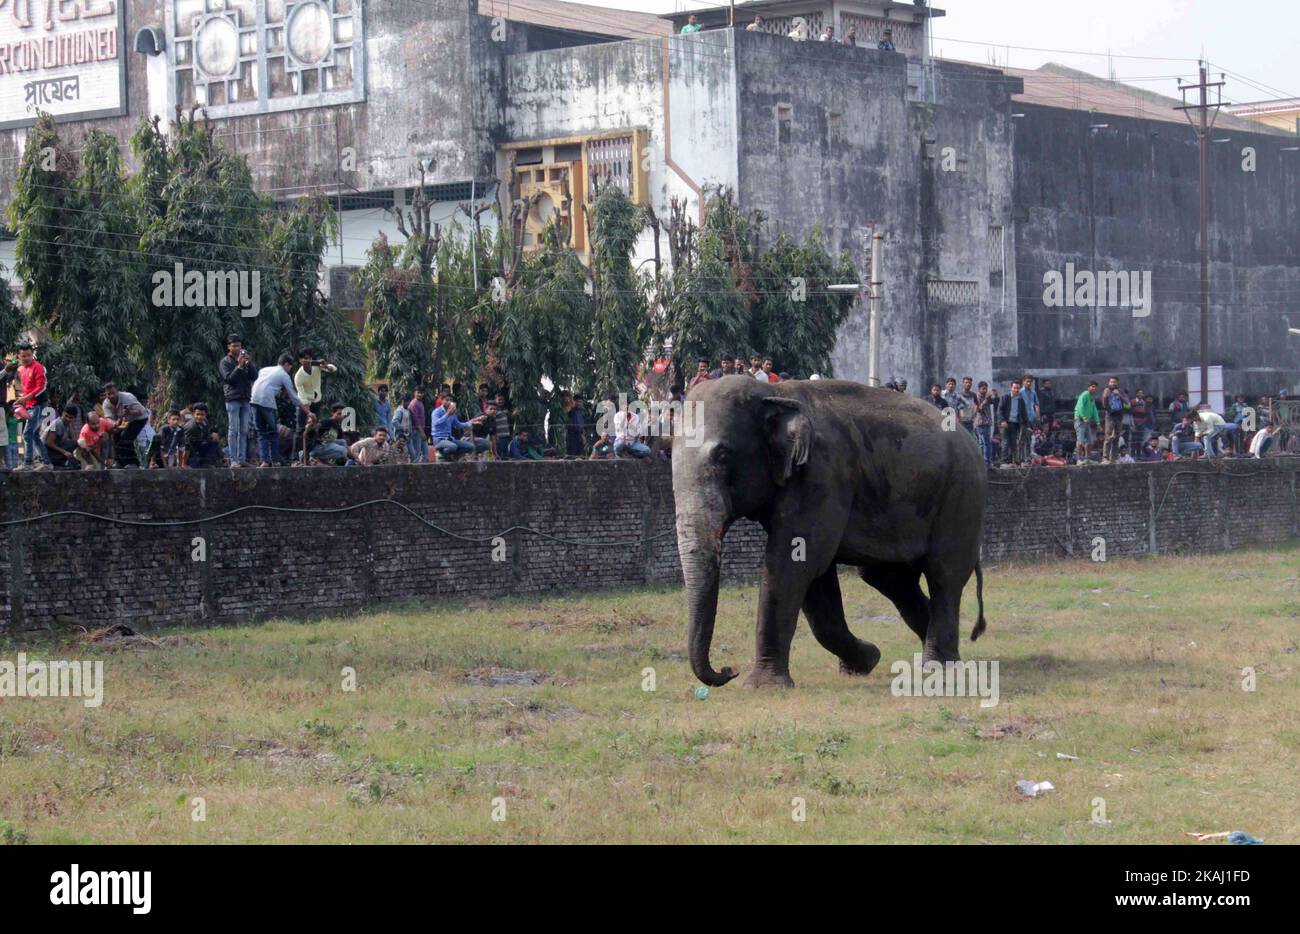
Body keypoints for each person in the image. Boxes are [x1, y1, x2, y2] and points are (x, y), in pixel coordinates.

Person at [251, 353, 309, 467]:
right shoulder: (283, 375)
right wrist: (308, 412)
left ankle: (265, 461)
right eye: (290, 367)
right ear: (287, 364)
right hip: (267, 402)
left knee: (261, 432)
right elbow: (293, 397)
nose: (289, 370)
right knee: (273, 432)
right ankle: (275, 460)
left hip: (254, 400)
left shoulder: (264, 370)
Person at [293, 350, 337, 464]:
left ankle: (307, 457)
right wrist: (309, 413)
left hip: (316, 402)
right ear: (300, 361)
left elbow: (333, 369)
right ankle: (294, 458)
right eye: (304, 359)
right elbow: (302, 398)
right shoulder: (299, 376)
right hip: (304, 405)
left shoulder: (316, 366)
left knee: (313, 430)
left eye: (309, 358)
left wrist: (325, 365)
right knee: (300, 431)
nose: (307, 361)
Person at [219, 335, 255, 467]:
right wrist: (239, 367)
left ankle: (241, 459)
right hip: (233, 398)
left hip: (245, 398)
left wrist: (248, 364)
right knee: (233, 429)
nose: (237, 348)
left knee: (244, 430)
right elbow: (229, 379)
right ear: (229, 347)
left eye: (238, 346)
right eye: (234, 346)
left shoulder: (245, 360)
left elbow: (254, 376)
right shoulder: (225, 362)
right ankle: (233, 459)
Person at [13, 343, 50, 469]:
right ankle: (47, 462)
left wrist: (25, 398)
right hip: (30, 405)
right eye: (24, 356)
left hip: (39, 404)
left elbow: (42, 387)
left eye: (29, 355)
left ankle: (28, 463)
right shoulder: (21, 370)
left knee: (27, 434)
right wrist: (22, 400)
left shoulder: (38, 367)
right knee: (33, 435)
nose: (27, 358)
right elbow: (27, 388)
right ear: (19, 356)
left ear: (32, 354)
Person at [102, 383, 150, 468]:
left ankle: (133, 462)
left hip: (139, 419)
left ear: (118, 391)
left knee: (126, 438)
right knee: (116, 437)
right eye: (109, 394)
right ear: (106, 395)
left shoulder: (128, 397)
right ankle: (119, 462)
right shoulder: (106, 403)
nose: (111, 396)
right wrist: (115, 424)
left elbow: (141, 411)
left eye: (113, 393)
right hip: (124, 420)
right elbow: (108, 418)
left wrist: (130, 412)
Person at [999, 380, 1031, 466]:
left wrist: (1027, 426)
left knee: (1014, 443)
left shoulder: (1020, 400)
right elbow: (1000, 410)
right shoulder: (1005, 397)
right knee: (1005, 443)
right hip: (1006, 423)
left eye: (1018, 388)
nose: (1016, 390)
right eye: (1015, 388)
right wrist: (1002, 420)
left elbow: (1024, 414)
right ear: (1011, 388)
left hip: (1015, 424)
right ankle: (1004, 461)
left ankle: (1013, 461)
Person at [181, 404, 223, 468]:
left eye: (202, 415)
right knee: (195, 463)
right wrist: (183, 463)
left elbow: (207, 435)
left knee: (214, 441)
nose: (199, 417)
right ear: (193, 414)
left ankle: (219, 459)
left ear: (205, 415)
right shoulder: (191, 427)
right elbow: (186, 446)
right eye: (197, 414)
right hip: (190, 451)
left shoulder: (205, 422)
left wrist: (212, 435)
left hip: (200, 445)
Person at [43, 404, 81, 469]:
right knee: (73, 443)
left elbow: (74, 439)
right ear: (63, 413)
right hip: (47, 452)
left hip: (56, 450)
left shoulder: (68, 425)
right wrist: (64, 452)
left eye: (71, 418)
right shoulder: (57, 423)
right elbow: (48, 443)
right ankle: (59, 462)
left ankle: (64, 462)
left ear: (74, 418)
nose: (68, 419)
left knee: (75, 443)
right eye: (66, 416)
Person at [1100, 377, 1128, 464]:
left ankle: (1114, 458)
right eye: (1111, 382)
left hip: (1119, 416)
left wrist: (1119, 394)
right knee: (1108, 438)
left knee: (1116, 438)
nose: (1113, 383)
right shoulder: (1106, 390)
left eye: (1114, 382)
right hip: (1110, 416)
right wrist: (1105, 396)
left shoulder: (1120, 391)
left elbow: (1127, 402)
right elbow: (1104, 405)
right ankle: (1105, 458)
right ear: (1109, 383)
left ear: (1117, 383)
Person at [1074, 381, 1100, 464]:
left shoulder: (1092, 397)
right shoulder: (1085, 394)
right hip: (1080, 420)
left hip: (1087, 422)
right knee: (1080, 441)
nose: (1094, 388)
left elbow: (1094, 410)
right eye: (1092, 386)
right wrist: (1084, 417)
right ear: (1088, 387)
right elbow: (1079, 406)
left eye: (1095, 387)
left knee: (1089, 441)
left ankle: (1087, 459)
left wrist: (1098, 423)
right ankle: (1079, 459)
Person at [972, 381, 995, 465]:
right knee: (986, 443)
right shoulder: (976, 397)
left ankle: (982, 461)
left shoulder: (987, 397)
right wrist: (986, 399)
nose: (985, 390)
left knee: (982, 443)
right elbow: (979, 409)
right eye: (983, 389)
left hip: (987, 422)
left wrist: (994, 395)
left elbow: (995, 402)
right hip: (981, 422)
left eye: (986, 388)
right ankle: (986, 462)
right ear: (979, 389)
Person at [408, 388, 428, 463]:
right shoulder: (414, 403)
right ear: (414, 393)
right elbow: (415, 419)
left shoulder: (420, 402)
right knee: (417, 454)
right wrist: (421, 432)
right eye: (418, 392)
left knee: (425, 453)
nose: (420, 394)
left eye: (421, 393)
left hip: (421, 431)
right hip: (416, 431)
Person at [563, 393, 586, 457]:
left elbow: (582, 425)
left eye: (580, 402)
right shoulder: (571, 410)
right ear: (574, 401)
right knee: (572, 454)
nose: (579, 403)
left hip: (580, 435)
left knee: (580, 454)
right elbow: (567, 409)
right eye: (577, 402)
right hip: (572, 434)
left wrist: (583, 435)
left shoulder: (582, 411)